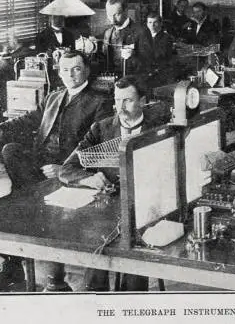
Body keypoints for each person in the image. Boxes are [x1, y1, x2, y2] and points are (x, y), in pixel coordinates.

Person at [0, 51, 113, 292]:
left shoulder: (99, 102)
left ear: (87, 72)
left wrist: (65, 169)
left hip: (68, 169)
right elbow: (28, 120)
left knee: (18, 205)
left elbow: (98, 147)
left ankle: (14, 264)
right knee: (10, 149)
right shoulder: (54, 96)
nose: (70, 74)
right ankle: (27, 214)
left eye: (76, 69)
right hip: (40, 166)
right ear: (58, 73)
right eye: (65, 69)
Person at [60, 76, 170, 291]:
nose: (120, 107)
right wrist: (88, 178)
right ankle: (96, 298)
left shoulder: (159, 129)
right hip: (108, 205)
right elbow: (66, 168)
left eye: (128, 100)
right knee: (98, 241)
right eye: (117, 100)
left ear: (142, 101)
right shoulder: (100, 129)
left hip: (145, 204)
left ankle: (132, 300)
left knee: (134, 249)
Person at [102, 0, 146, 75]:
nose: (112, 19)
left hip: (132, 79)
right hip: (112, 78)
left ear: (126, 11)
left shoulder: (141, 32)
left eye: (116, 15)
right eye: (109, 15)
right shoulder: (107, 33)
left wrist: (133, 56)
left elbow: (149, 61)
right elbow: (104, 58)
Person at [137, 12, 175, 84]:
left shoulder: (167, 38)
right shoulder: (142, 37)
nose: (152, 25)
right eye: (150, 22)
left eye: (155, 22)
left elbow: (162, 56)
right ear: (147, 24)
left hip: (160, 74)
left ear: (161, 23)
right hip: (144, 73)